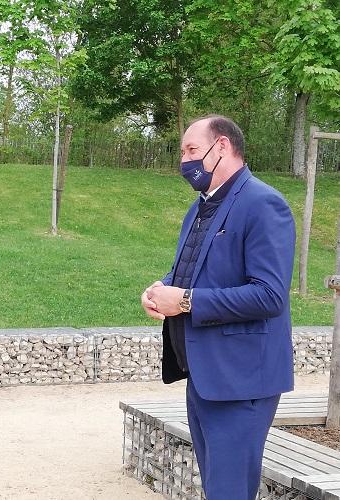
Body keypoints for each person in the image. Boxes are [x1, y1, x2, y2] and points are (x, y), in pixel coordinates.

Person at [141, 115, 295, 500]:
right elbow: (193, 272)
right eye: (182, 153)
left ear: (222, 146)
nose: (184, 161)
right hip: (204, 377)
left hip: (242, 382)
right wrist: (161, 291)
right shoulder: (199, 208)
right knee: (219, 491)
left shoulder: (264, 204)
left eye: (192, 150)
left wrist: (187, 301)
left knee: (229, 492)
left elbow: (269, 295)